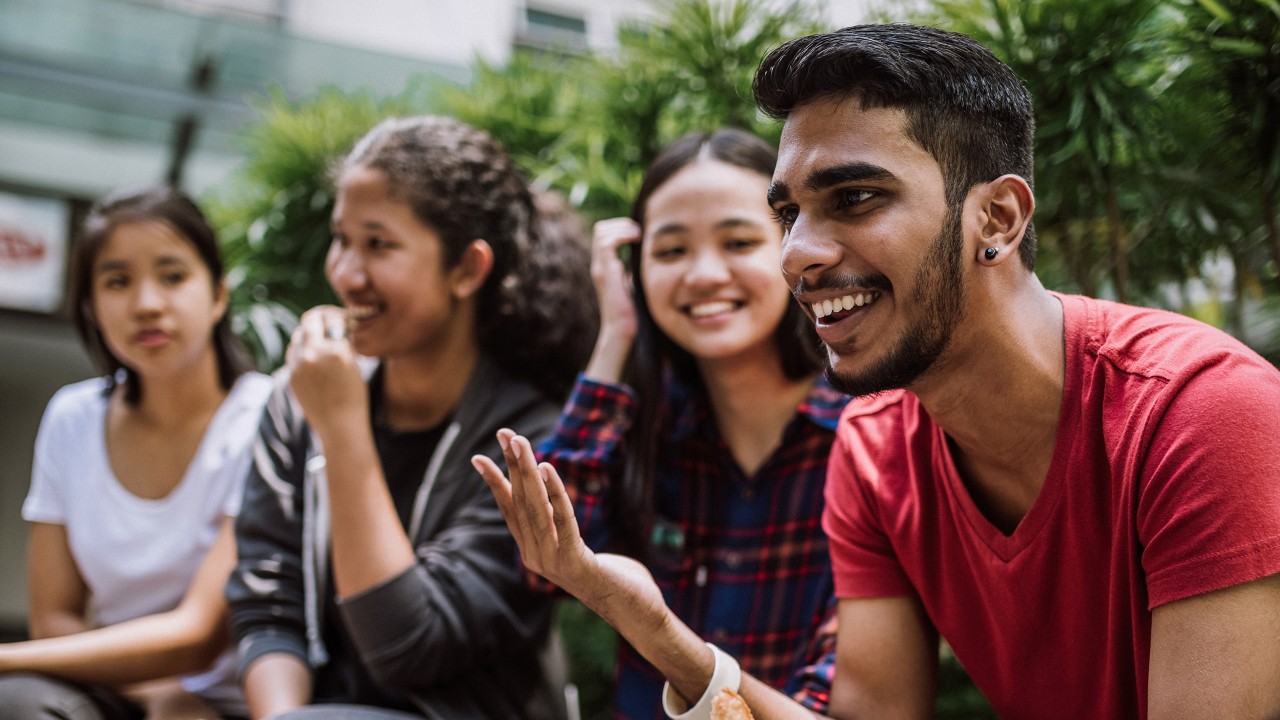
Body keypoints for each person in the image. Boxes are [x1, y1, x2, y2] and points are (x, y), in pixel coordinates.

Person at [474, 23, 1280, 720]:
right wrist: (651, 626)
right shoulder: (877, 446)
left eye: (854, 198)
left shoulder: (1203, 415)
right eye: (789, 212)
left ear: (996, 217)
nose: (796, 254)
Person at [224, 115, 596, 720]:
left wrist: (343, 430)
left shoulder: (532, 441)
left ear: (468, 269)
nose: (346, 273)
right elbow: (268, 605)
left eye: (379, 244)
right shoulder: (299, 401)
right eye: (341, 238)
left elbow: (408, 646)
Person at [535, 128, 847, 720]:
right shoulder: (644, 424)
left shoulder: (865, 436)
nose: (703, 274)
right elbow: (539, 565)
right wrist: (616, 336)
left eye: (737, 242)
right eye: (672, 251)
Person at [0, 185, 271, 720]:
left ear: (218, 294)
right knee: (20, 703)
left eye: (173, 276)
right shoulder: (72, 418)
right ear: (92, 307)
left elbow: (199, 636)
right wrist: (156, 693)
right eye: (117, 281)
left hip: (243, 705)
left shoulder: (266, 416)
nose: (147, 304)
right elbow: (54, 618)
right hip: (125, 694)